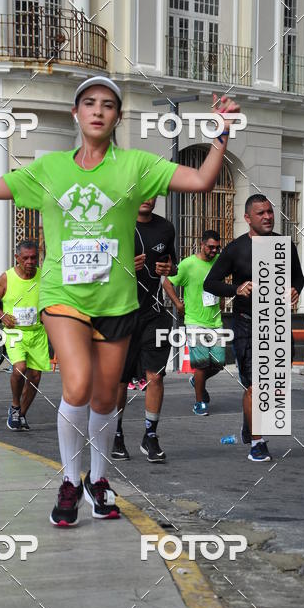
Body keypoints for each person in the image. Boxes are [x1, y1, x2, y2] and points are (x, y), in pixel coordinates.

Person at [0, 75, 240, 526]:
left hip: (118, 300)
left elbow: (199, 179)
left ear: (117, 117)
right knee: (77, 385)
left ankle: (98, 480)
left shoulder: (136, 166)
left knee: (105, 399)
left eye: (107, 104)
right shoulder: (50, 168)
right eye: (89, 103)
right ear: (76, 114)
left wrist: (219, 133)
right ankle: (69, 479)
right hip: (64, 296)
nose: (98, 110)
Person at [203, 195, 304, 463]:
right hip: (247, 324)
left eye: (270, 212)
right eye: (260, 213)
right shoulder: (236, 249)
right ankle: (257, 443)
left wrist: (296, 290)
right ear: (248, 218)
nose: (267, 217)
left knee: (274, 387)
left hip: (278, 324)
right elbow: (210, 283)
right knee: (257, 386)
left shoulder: (284, 245)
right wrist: (236, 289)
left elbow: (299, 277)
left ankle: (250, 427)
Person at [111, 198, 177, 463]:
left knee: (156, 377)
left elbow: (174, 263)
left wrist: (169, 268)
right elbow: (98, 268)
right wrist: (124, 267)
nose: (147, 198)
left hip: (154, 313)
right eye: (142, 192)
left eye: (152, 193)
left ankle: (150, 435)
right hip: (121, 312)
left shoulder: (165, 228)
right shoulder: (116, 225)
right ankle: (115, 434)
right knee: (120, 379)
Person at [0, 241, 50, 430]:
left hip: (37, 333)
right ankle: (15, 405)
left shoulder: (42, 276)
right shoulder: (7, 278)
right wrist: (2, 315)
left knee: (36, 377)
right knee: (19, 369)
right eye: (26, 258)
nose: (30, 262)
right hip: (15, 332)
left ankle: (21, 414)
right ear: (17, 258)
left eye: (33, 257)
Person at [164, 230, 225, 416]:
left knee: (219, 362)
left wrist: (222, 298)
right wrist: (177, 303)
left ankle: (197, 381)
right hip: (194, 320)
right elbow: (167, 282)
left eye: (217, 247)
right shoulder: (188, 264)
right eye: (210, 247)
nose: (214, 251)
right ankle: (199, 402)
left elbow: (219, 283)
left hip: (215, 320)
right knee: (201, 364)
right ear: (202, 244)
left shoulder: (218, 262)